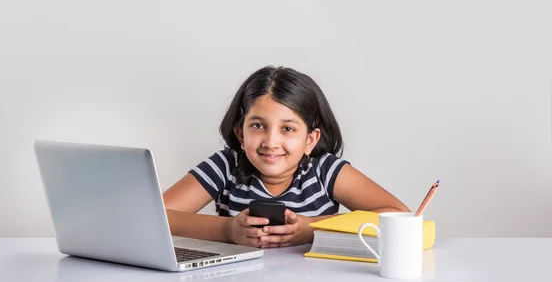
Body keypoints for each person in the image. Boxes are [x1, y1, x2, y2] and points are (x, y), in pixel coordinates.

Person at [163, 65, 409, 248]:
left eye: (288, 129)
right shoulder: (226, 165)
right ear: (240, 134)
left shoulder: (324, 170)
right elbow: (155, 216)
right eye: (258, 125)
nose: (271, 142)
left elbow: (397, 215)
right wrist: (228, 230)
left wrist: (312, 229)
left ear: (309, 140)